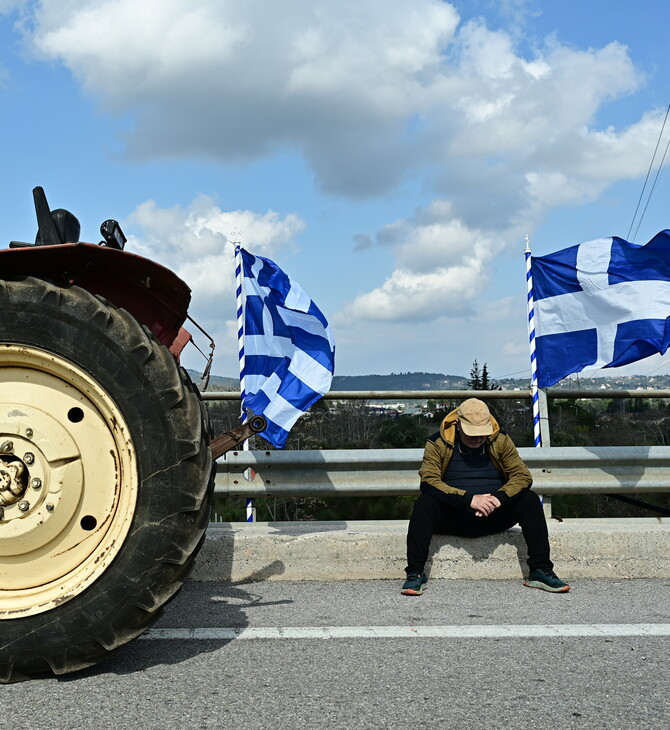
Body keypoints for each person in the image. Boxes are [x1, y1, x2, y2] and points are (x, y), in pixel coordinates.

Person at [402, 397, 569, 595]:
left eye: (482, 433)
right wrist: (469, 499)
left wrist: (499, 498)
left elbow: (522, 476)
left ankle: (540, 570)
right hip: (455, 515)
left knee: (529, 499)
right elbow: (428, 481)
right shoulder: (438, 442)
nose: (478, 438)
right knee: (425, 503)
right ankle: (415, 574)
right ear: (458, 425)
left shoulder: (500, 439)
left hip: (494, 513)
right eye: (472, 433)